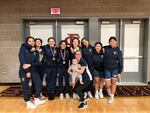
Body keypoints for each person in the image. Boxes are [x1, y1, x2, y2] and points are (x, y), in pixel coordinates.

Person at [18, 36, 45, 109]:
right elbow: (22, 60)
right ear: (27, 42)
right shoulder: (23, 48)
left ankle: (36, 98)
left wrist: (30, 64)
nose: (32, 42)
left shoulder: (35, 51)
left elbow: (38, 63)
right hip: (24, 71)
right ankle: (27, 102)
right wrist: (27, 71)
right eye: (29, 41)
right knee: (25, 87)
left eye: (33, 41)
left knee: (39, 83)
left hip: (33, 70)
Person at [103, 37, 123, 104]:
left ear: (116, 42)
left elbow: (121, 61)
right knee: (108, 84)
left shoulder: (118, 51)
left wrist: (119, 71)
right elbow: (99, 48)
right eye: (111, 41)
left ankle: (112, 96)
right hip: (107, 69)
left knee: (113, 83)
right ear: (109, 42)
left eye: (114, 41)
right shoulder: (105, 48)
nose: (112, 42)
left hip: (115, 70)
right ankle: (108, 90)